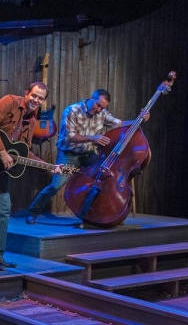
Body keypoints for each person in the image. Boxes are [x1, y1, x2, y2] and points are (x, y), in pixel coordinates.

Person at [26, 89, 149, 224]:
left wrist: (139, 119)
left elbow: (119, 124)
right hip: (69, 154)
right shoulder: (72, 110)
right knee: (55, 185)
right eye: (97, 105)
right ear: (91, 98)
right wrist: (92, 138)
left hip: (88, 154)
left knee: (106, 177)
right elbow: (70, 137)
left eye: (102, 107)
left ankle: (96, 214)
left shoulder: (102, 113)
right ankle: (33, 212)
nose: (98, 109)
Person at [0, 82, 61, 271]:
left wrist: (49, 167)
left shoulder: (32, 122)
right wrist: (1, 151)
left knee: (4, 207)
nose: (36, 100)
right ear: (27, 93)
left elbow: (24, 152)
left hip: (0, 165)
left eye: (40, 98)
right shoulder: (10, 101)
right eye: (34, 95)